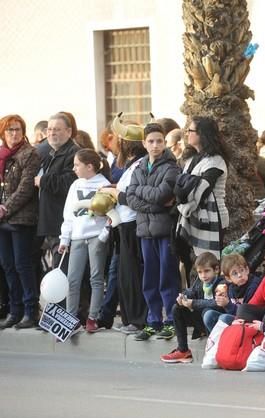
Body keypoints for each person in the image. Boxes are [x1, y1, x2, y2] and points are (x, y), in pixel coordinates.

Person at [127, 122, 181, 341]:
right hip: (145, 231)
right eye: (151, 141)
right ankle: (153, 320)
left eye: (159, 141)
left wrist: (143, 195)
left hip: (164, 231)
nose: (155, 145)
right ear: (144, 143)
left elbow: (162, 195)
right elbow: (130, 196)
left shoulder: (171, 166)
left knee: (167, 276)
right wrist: (148, 199)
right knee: (149, 277)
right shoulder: (139, 166)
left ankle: (171, 320)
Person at [100, 115, 148, 334]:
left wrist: (112, 192)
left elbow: (132, 196)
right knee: (125, 274)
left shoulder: (138, 164)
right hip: (125, 225)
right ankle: (131, 318)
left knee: (132, 275)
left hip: (131, 224)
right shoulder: (134, 164)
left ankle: (137, 320)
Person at [58, 149, 112, 331]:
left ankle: (92, 318)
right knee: (72, 279)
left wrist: (104, 234)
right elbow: (68, 213)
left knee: (96, 278)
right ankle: (70, 318)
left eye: (77, 165)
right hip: (78, 236)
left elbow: (110, 214)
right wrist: (64, 238)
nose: (74, 168)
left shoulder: (104, 184)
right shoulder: (75, 185)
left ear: (89, 166)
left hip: (96, 236)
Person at [0, 115, 41, 329]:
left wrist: (5, 207)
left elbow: (26, 188)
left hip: (22, 218)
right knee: (7, 265)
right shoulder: (1, 155)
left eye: (17, 129)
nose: (13, 134)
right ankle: (14, 310)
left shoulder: (30, 153)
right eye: (9, 130)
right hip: (2, 220)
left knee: (22, 264)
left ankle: (30, 310)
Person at [176, 116, 230, 258]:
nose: (187, 133)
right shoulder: (192, 159)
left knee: (210, 263)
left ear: (202, 134)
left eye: (190, 130)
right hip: (193, 217)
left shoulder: (216, 161)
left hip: (213, 218)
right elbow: (180, 186)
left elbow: (200, 191)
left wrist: (182, 191)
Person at [160, 252, 223, 364]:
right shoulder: (200, 282)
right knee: (177, 308)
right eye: (200, 272)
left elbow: (217, 303)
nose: (203, 275)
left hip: (217, 322)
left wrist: (193, 303)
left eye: (207, 271)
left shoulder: (222, 283)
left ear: (216, 269)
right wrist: (182, 298)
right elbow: (191, 292)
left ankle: (213, 350)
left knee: (207, 312)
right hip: (201, 322)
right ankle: (183, 350)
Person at [35, 113, 79, 265]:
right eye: (49, 129)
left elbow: (69, 183)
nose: (52, 133)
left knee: (62, 268)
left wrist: (43, 180)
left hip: (61, 223)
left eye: (57, 129)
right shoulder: (50, 153)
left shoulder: (74, 153)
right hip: (48, 221)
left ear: (68, 131)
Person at [202, 253, 261, 331]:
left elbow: (245, 313)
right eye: (235, 273)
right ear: (229, 278)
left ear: (247, 270)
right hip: (236, 319)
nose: (240, 275)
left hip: (250, 321)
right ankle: (217, 341)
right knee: (208, 315)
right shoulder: (230, 287)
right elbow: (230, 311)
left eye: (242, 270)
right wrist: (221, 300)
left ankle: (223, 341)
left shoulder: (253, 286)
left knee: (224, 318)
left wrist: (227, 304)